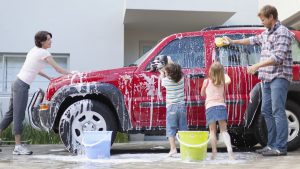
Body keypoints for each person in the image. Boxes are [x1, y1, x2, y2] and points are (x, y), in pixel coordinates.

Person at [223, 5, 293, 156]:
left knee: (277, 111)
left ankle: (280, 147)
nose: (262, 22)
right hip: (266, 78)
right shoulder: (266, 33)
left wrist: (256, 65)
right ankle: (271, 144)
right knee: (266, 111)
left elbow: (278, 58)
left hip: (279, 77)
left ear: (271, 17)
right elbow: (252, 40)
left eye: (263, 20)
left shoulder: (283, 33)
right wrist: (232, 42)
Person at [0, 31, 71, 155]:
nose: (51, 41)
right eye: (49, 39)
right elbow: (58, 69)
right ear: (42, 41)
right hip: (21, 85)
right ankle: (18, 147)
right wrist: (73, 74)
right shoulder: (44, 53)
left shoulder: (34, 50)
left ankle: (17, 145)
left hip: (17, 82)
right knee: (18, 115)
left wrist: (49, 77)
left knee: (10, 114)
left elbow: (34, 69)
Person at [201, 62, 234, 160]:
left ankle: (214, 152)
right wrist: (224, 73)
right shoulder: (223, 81)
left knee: (212, 131)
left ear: (210, 71)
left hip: (210, 107)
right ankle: (230, 151)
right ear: (221, 72)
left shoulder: (206, 82)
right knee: (224, 131)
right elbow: (229, 79)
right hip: (221, 106)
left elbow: (202, 94)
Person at [160, 63, 187, 157]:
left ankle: (173, 149)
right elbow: (177, 71)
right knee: (183, 129)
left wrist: (162, 73)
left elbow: (162, 80)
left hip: (171, 107)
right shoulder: (182, 79)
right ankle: (185, 149)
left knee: (171, 129)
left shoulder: (166, 81)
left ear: (169, 73)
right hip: (182, 107)